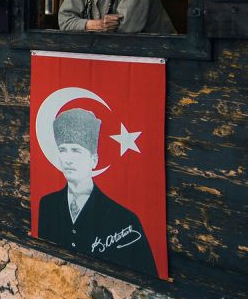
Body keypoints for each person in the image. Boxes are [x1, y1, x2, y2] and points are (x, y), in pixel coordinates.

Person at [36, 108, 157, 277]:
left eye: (76, 150)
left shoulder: (124, 218)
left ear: (94, 160)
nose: (68, 159)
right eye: (63, 150)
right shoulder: (48, 204)